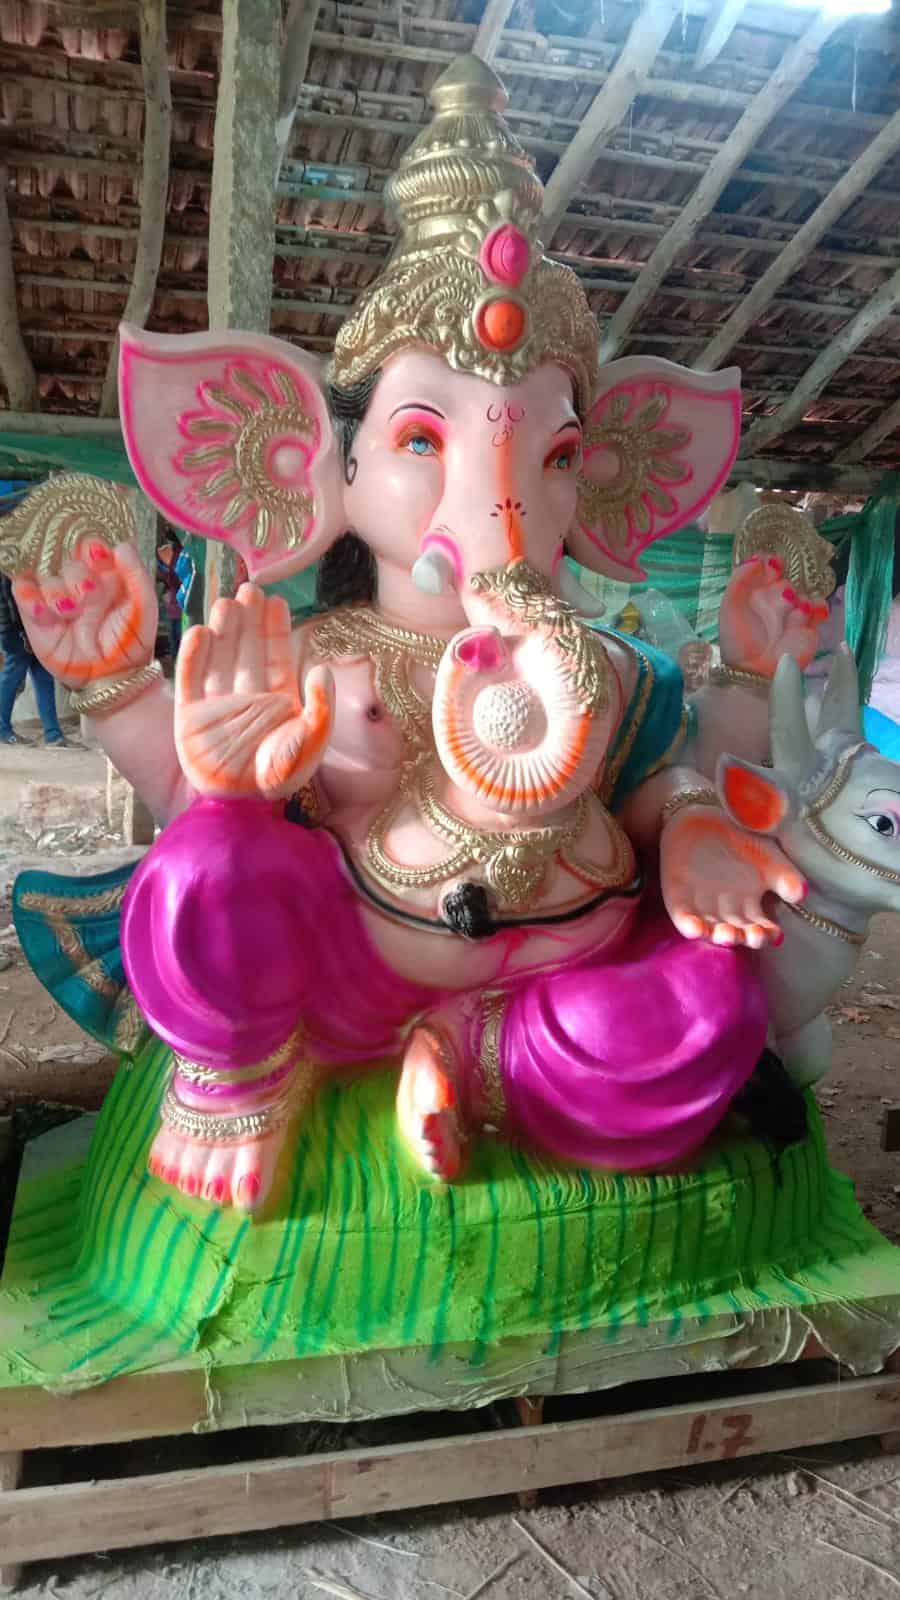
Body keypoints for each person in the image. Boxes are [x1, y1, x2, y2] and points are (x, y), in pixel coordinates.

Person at [0, 570, 67, 747]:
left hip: (32, 628)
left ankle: (53, 735)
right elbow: (10, 601)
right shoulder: (7, 564)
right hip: (16, 631)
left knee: (44, 677)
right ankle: (2, 730)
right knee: (12, 678)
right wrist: (24, 633)